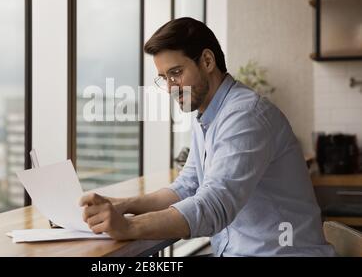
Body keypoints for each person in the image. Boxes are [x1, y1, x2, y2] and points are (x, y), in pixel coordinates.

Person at [80, 17, 335, 256]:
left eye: (176, 73)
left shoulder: (245, 115)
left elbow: (215, 206)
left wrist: (129, 228)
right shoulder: (208, 114)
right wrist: (123, 206)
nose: (170, 88)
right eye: (164, 78)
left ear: (207, 61)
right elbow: (186, 187)